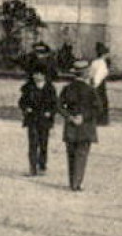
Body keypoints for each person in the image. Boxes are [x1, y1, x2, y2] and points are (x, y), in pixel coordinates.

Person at [59, 61, 100, 192]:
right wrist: (84, 116)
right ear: (86, 74)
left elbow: (59, 106)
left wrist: (69, 116)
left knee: (71, 154)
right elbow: (98, 108)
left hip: (70, 125)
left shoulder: (67, 88)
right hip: (86, 126)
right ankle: (77, 182)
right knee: (82, 154)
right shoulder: (91, 90)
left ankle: (72, 181)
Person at [18, 66, 57, 177]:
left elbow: (55, 104)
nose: (37, 76)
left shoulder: (50, 88)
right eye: (35, 74)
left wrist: (50, 112)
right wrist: (26, 108)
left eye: (40, 74)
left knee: (43, 143)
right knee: (33, 144)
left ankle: (42, 165)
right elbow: (21, 102)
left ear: (44, 76)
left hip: (44, 119)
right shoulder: (28, 88)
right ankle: (32, 167)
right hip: (33, 119)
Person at [89, 43, 112, 125]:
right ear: (104, 54)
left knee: (96, 101)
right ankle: (102, 120)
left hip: (94, 83)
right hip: (100, 84)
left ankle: (96, 119)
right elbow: (99, 75)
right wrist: (96, 84)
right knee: (102, 102)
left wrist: (92, 84)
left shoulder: (94, 62)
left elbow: (91, 74)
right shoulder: (102, 63)